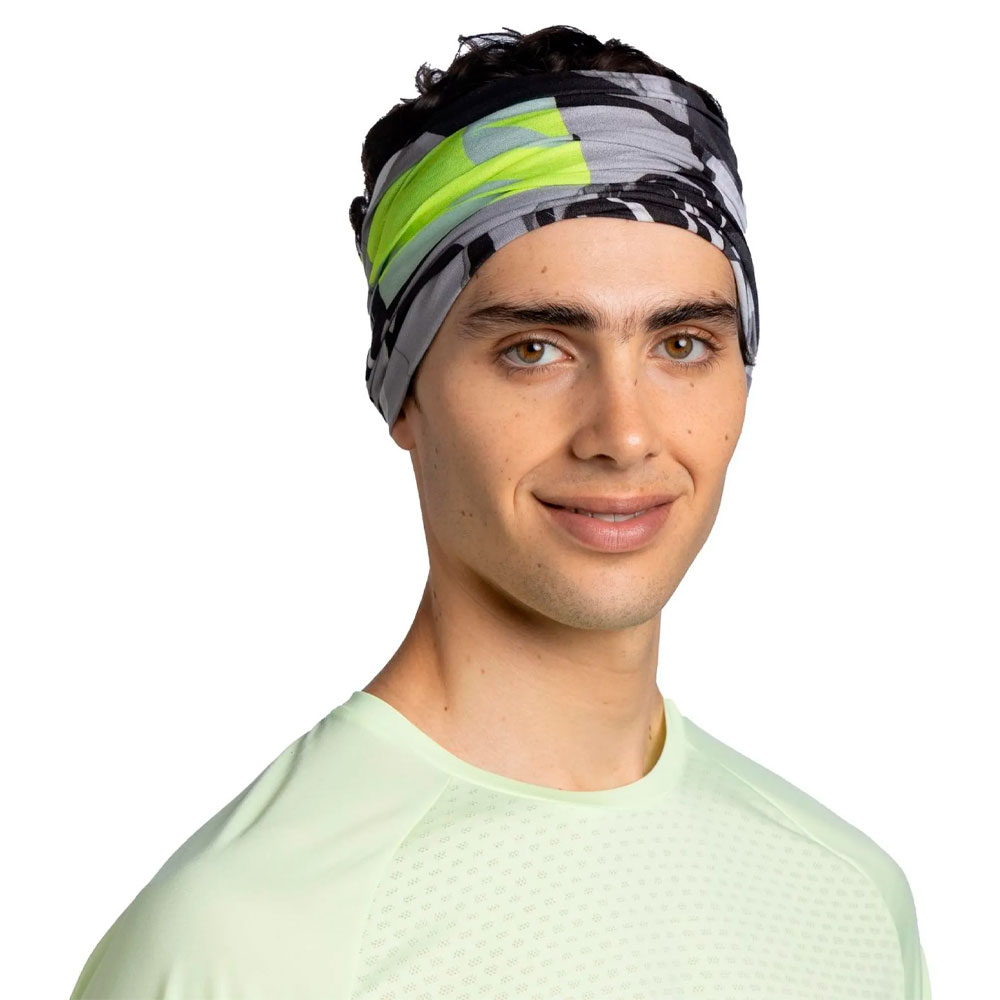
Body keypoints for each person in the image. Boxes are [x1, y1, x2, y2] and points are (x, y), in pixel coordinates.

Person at [69, 24, 931, 1000]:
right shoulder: (245, 940)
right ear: (405, 393)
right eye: (535, 349)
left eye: (682, 344)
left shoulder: (850, 898)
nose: (624, 434)